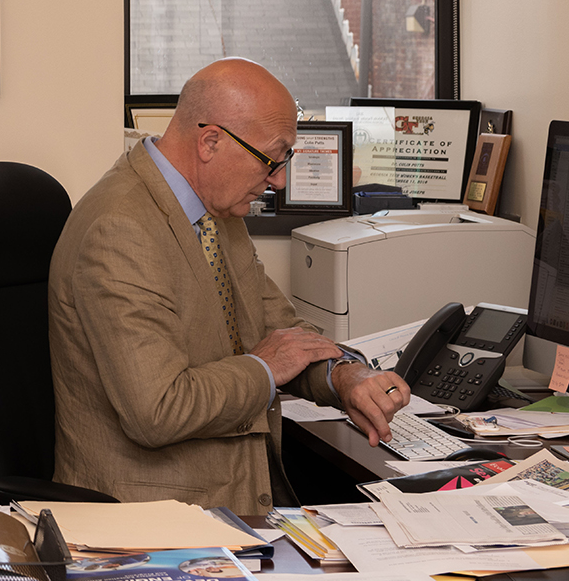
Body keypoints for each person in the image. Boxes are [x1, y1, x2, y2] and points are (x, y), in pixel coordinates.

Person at [47, 58, 410, 512]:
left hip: (233, 497)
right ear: (210, 141)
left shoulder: (216, 208)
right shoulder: (120, 228)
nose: (278, 179)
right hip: (155, 519)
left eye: (286, 159)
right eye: (270, 159)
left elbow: (281, 332)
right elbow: (157, 410)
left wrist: (346, 376)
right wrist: (263, 368)